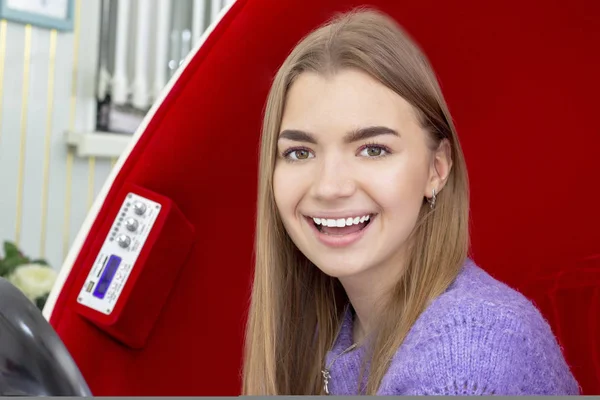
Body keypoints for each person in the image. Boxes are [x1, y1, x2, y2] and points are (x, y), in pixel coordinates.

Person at [242, 8, 579, 396]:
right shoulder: (335, 328)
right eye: (300, 153)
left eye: (372, 149)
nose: (329, 187)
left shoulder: (465, 362)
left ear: (437, 169)